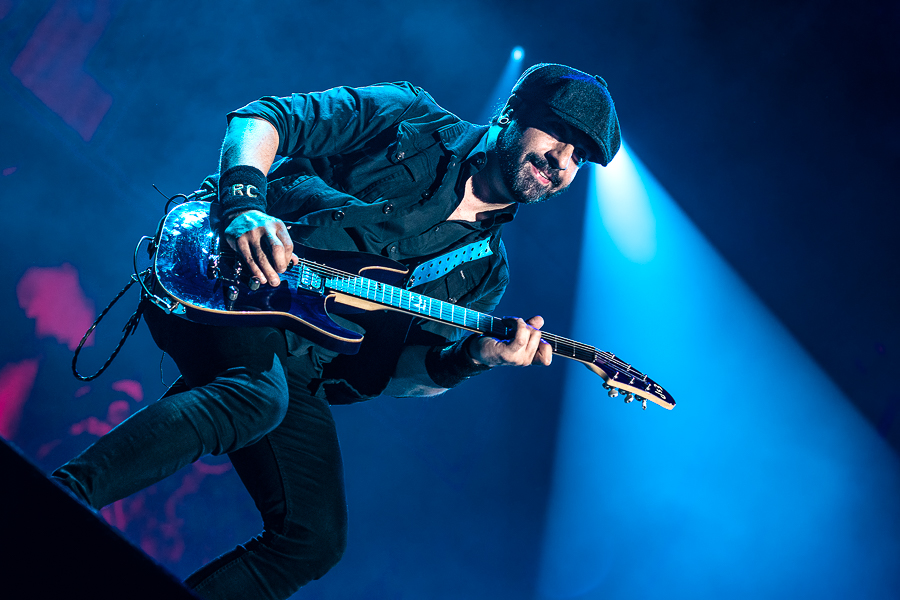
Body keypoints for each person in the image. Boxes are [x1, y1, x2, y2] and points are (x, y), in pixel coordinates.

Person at [52, 63, 621, 599]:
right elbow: (262, 118)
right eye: (558, 135)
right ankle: (57, 501)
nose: (562, 161)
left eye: (580, 158)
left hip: (293, 364)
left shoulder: (485, 273)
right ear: (512, 113)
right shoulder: (409, 117)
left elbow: (397, 377)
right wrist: (245, 205)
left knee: (315, 540)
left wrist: (472, 359)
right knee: (257, 397)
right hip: (221, 262)